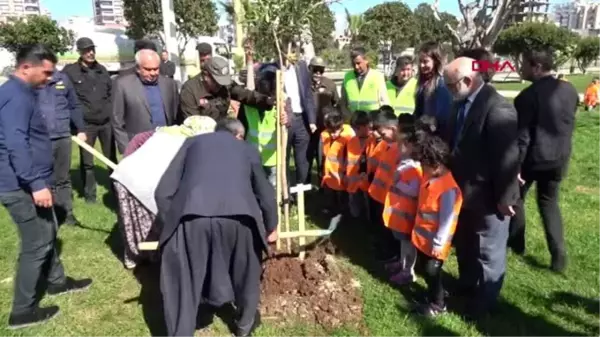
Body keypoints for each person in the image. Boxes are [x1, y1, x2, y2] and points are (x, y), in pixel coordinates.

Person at [154, 120, 277, 337]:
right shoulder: (246, 148)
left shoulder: (191, 143)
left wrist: (170, 224)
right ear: (238, 135)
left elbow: (162, 192)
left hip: (191, 216)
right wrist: (271, 225)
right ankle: (244, 326)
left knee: (185, 279)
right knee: (247, 274)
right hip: (240, 217)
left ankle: (181, 332)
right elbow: (265, 192)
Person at [0, 44, 92, 330]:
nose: (50, 79)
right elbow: (16, 143)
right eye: (46, 72)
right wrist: (36, 183)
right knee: (36, 242)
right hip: (20, 185)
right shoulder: (16, 96)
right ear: (26, 67)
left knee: (49, 227)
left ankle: (56, 281)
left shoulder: (22, 92)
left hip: (30, 180)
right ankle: (22, 311)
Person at [443, 57, 520, 319]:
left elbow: (507, 158)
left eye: (451, 85)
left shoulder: (498, 109)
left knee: (488, 250)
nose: (449, 91)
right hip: (462, 192)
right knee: (465, 244)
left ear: (468, 80)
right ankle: (466, 284)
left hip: (488, 196)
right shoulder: (459, 103)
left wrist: (507, 197)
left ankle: (485, 302)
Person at [509, 49, 579, 273]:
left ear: (537, 67)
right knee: (549, 203)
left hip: (534, 159)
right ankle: (558, 257)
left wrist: (516, 167)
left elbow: (522, 137)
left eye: (525, 65)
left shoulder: (527, 97)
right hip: (560, 157)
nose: (521, 69)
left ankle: (516, 245)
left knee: (516, 198)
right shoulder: (569, 91)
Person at [410, 132, 463, 317]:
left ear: (437, 165)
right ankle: (432, 295)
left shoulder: (448, 188)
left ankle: (439, 305)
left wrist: (439, 242)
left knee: (432, 271)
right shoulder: (431, 177)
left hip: (436, 242)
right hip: (424, 239)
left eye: (425, 166)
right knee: (426, 269)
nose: (422, 169)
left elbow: (446, 219)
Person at [63, 37, 117, 203]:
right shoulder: (70, 72)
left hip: (106, 123)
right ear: (79, 52)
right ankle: (90, 196)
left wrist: (109, 112)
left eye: (92, 49)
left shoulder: (102, 70)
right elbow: (67, 97)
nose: (91, 52)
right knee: (87, 162)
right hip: (86, 125)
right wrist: (76, 124)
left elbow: (110, 93)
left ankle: (116, 193)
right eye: (87, 50)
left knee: (111, 160)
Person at [38, 68, 87, 226]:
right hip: (40, 138)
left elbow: (74, 105)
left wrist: (81, 128)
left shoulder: (63, 79)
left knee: (63, 178)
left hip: (62, 136)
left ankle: (67, 214)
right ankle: (47, 216)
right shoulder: (34, 79)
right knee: (43, 179)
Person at [112, 49, 179, 154]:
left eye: (156, 69)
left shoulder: (170, 85)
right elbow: (117, 121)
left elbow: (176, 116)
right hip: (139, 147)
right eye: (148, 69)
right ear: (138, 68)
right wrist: (126, 149)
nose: (153, 73)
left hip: (167, 144)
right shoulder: (123, 85)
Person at [382, 114, 423, 286]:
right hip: (399, 215)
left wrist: (398, 184)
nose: (398, 148)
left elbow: (415, 191)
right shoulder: (404, 163)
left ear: (410, 146)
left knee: (408, 244)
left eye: (401, 145)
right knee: (402, 243)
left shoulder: (414, 168)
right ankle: (402, 263)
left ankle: (408, 271)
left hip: (407, 216)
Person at [237, 64, 289, 187]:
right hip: (253, 154)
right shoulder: (250, 101)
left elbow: (289, 117)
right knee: (255, 186)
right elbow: (241, 124)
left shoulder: (282, 100)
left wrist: (286, 119)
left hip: (272, 157)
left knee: (272, 187)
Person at [178, 57, 273, 122]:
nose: (220, 85)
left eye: (222, 82)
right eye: (216, 81)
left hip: (222, 132)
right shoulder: (189, 91)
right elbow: (193, 125)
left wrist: (266, 100)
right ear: (206, 75)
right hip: (202, 140)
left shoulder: (225, 85)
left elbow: (245, 95)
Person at [367, 106, 401, 261]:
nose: (381, 137)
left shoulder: (402, 149)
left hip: (391, 198)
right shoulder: (386, 144)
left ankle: (392, 254)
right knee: (382, 226)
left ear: (393, 129)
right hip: (379, 194)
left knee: (391, 229)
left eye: (383, 134)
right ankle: (384, 248)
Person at [278, 53, 317, 188]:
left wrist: (312, 120)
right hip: (285, 118)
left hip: (301, 118)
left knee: (303, 158)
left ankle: (302, 190)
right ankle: (286, 192)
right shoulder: (275, 68)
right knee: (284, 157)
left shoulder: (301, 67)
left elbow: (307, 94)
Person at [308, 56, 339, 185]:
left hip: (324, 128)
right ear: (309, 69)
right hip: (307, 128)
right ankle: (305, 184)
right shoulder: (304, 84)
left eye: (321, 70)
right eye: (315, 70)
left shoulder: (330, 85)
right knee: (307, 157)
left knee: (323, 157)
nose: (318, 73)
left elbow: (336, 103)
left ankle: (323, 183)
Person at [320, 110, 355, 214]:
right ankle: (330, 208)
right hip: (329, 173)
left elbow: (351, 158)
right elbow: (324, 154)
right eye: (330, 132)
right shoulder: (325, 135)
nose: (333, 135)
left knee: (342, 196)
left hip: (342, 174)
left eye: (335, 131)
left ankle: (343, 214)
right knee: (329, 192)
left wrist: (345, 173)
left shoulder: (349, 136)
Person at [413, 42, 453, 130]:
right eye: (420, 61)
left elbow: (442, 118)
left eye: (425, 61)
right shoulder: (422, 84)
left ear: (436, 61)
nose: (421, 65)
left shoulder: (441, 85)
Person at [340, 47, 389, 117]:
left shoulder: (377, 76)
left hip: (372, 122)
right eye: (353, 64)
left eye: (358, 63)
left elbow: (384, 102)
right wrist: (348, 117)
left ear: (366, 60)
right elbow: (343, 102)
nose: (356, 67)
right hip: (353, 121)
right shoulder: (347, 77)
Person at [345, 111, 376, 219]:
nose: (356, 131)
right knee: (355, 208)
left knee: (368, 207)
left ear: (367, 126)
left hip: (367, 182)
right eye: (354, 129)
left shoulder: (373, 140)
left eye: (358, 128)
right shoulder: (352, 141)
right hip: (353, 182)